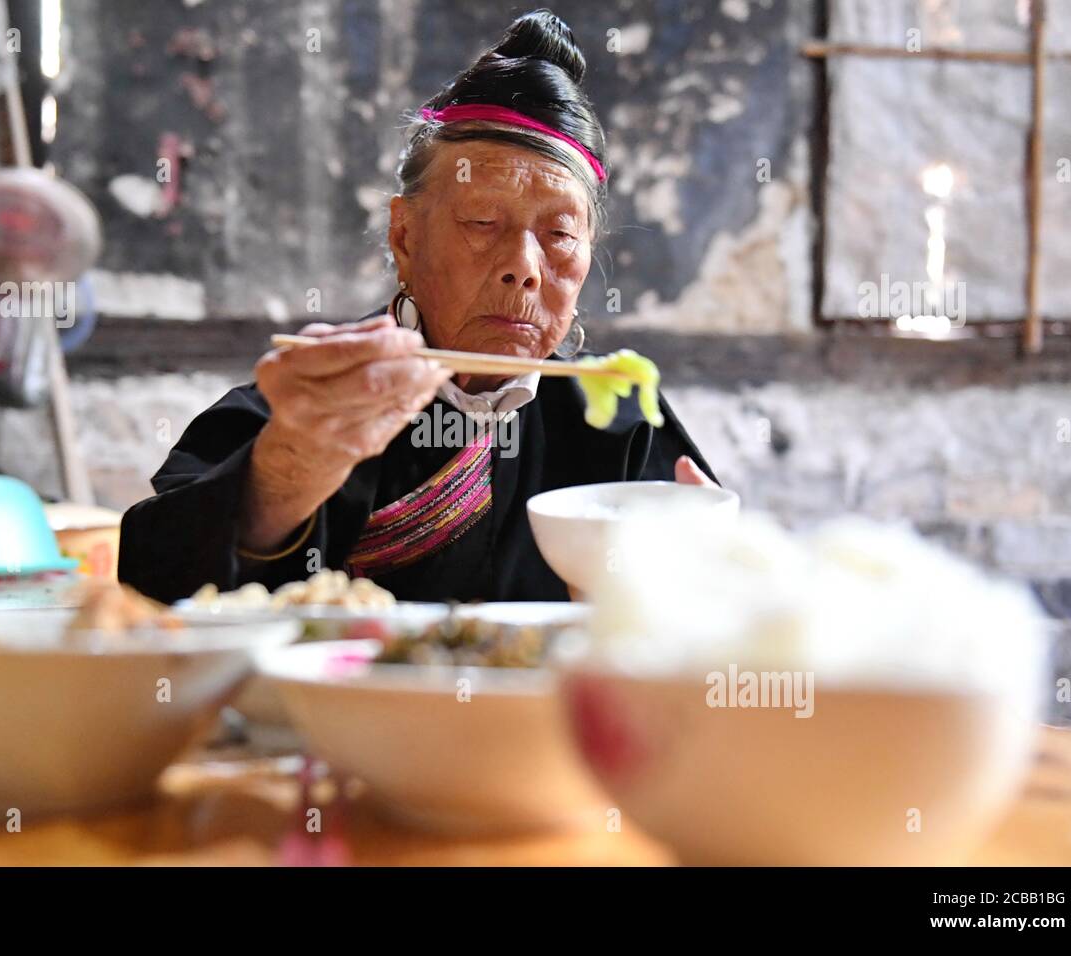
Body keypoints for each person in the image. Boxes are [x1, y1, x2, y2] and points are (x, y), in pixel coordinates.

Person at [119, 10, 718, 604]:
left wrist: (707, 571)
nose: (526, 268)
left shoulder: (620, 422)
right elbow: (151, 588)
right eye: (483, 222)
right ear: (405, 237)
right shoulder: (316, 403)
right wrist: (289, 466)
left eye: (560, 235)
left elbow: (712, 620)